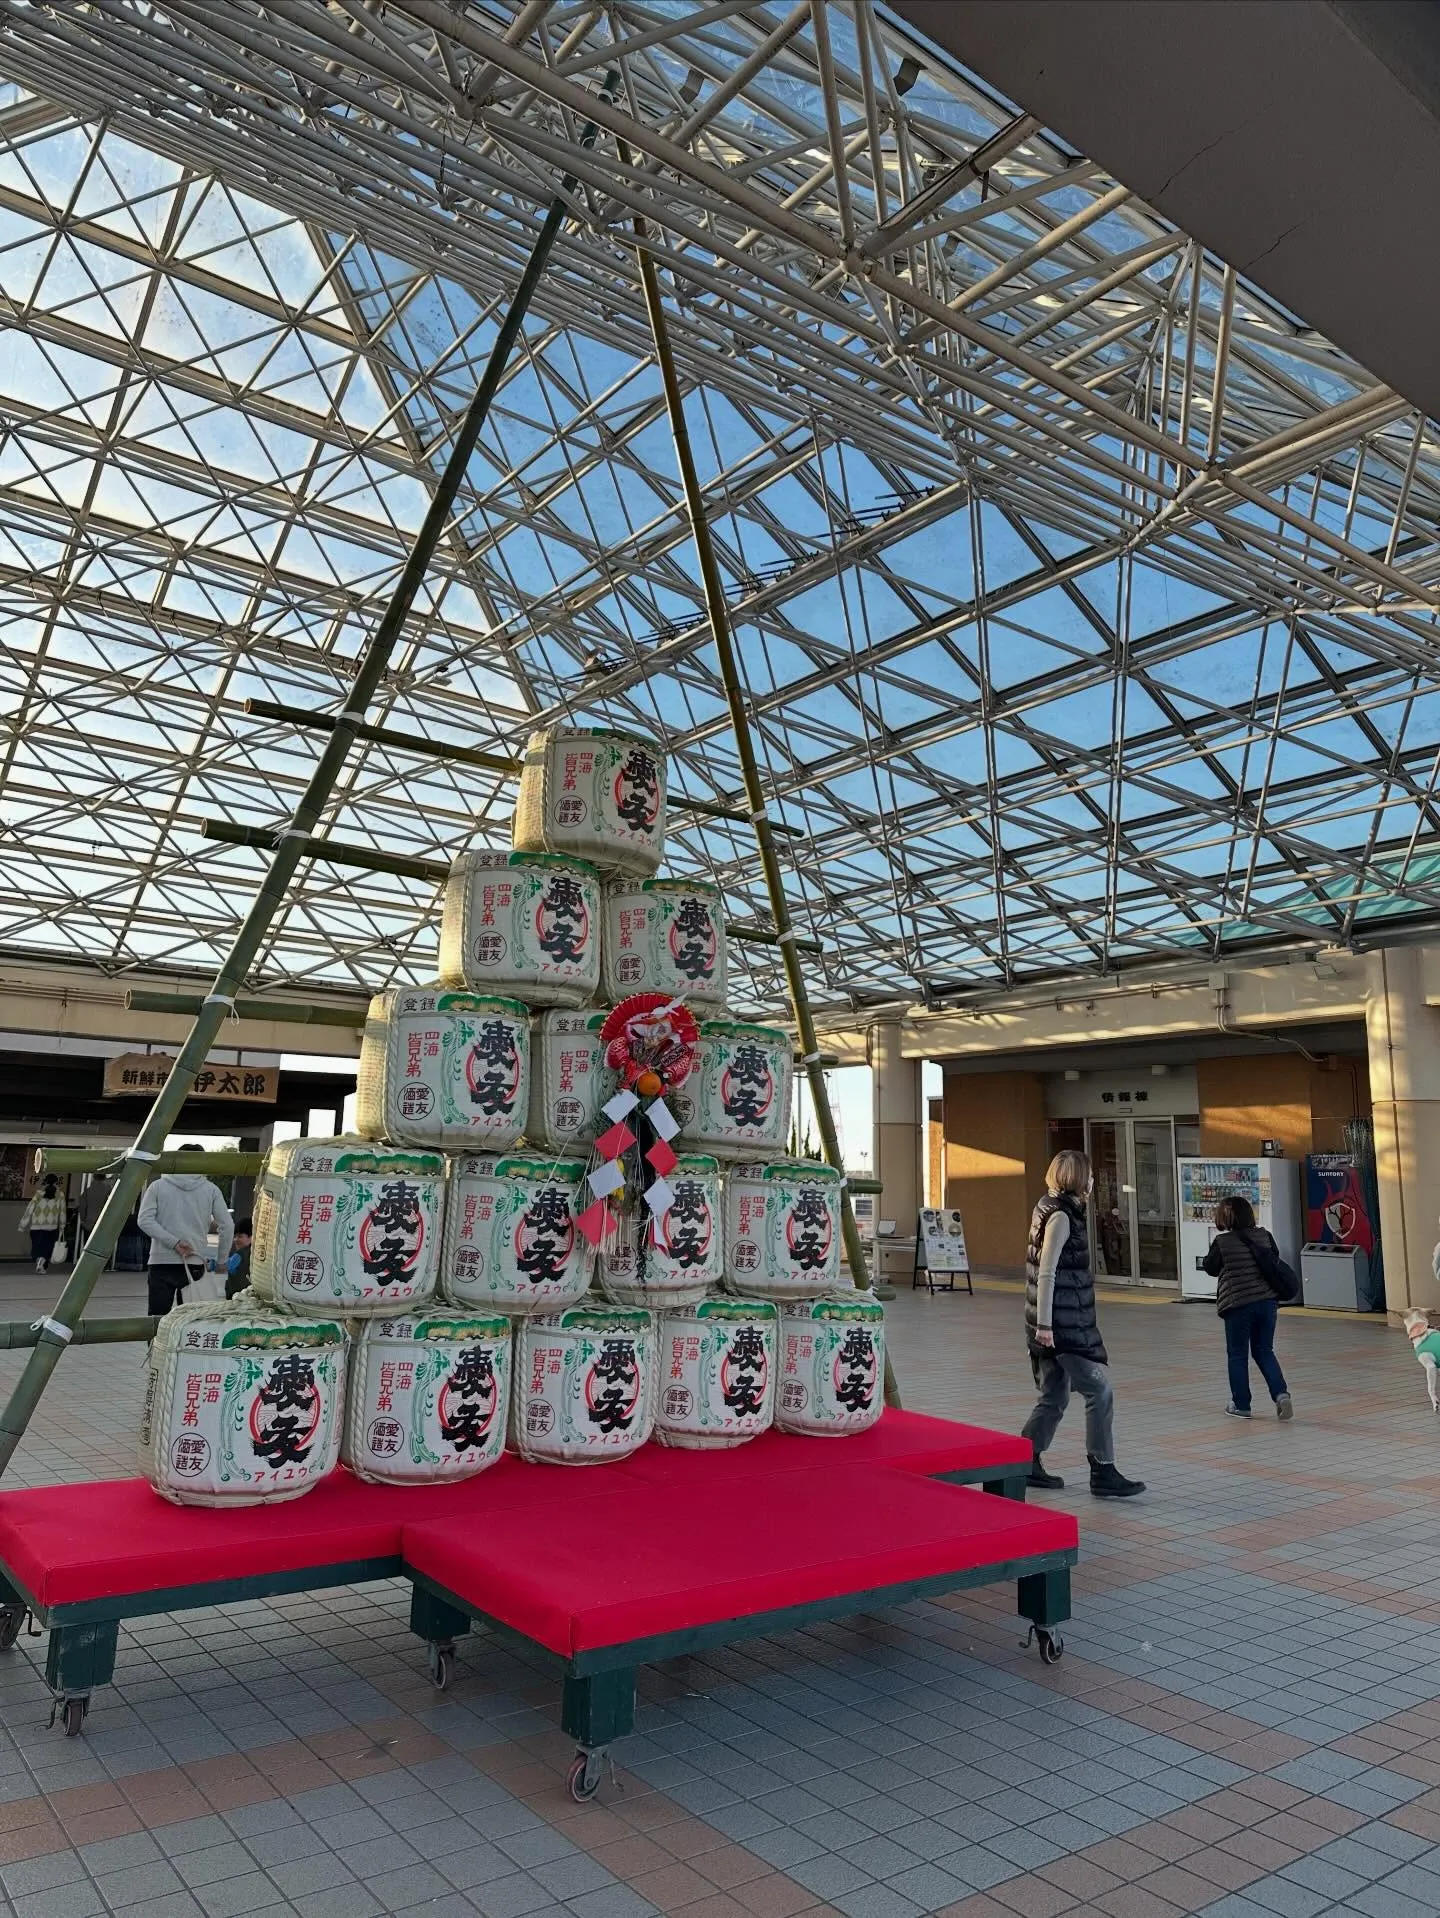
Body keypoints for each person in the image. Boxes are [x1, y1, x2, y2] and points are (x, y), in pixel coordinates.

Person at [1022, 1149, 1145, 1498]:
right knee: (1099, 1390)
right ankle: (1102, 1470)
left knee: (1054, 1396)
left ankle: (1024, 1461)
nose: (1092, 1181)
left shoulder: (1051, 1207)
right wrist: (1045, 1326)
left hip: (1054, 1321)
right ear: (1077, 1179)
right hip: (1060, 1325)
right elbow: (1047, 1272)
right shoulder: (1060, 1216)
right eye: (1089, 1175)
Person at [1202, 1196, 1294, 1421]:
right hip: (1267, 1302)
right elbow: (1274, 1258)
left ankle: (1241, 1404)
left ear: (1226, 1217)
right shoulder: (1264, 1236)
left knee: (1237, 1355)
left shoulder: (1222, 1243)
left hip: (1238, 1304)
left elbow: (1210, 1267)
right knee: (1264, 1350)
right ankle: (1281, 1395)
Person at [136, 1148, 233, 1318]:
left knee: (157, 1319)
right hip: (195, 1260)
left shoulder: (158, 1187)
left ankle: (155, 1345)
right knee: (191, 1320)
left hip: (161, 1261)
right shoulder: (211, 1190)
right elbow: (227, 1225)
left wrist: (173, 1242)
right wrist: (222, 1260)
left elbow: (144, 1220)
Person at [20, 1176, 65, 1273]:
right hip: (51, 1227)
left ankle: (39, 1260)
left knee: (37, 1246)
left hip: (36, 1226)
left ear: (45, 1182)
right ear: (57, 1182)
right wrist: (62, 1226)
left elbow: (30, 1209)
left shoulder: (39, 1194)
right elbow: (62, 1212)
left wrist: (23, 1225)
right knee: (47, 1248)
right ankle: (43, 1262)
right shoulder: (60, 1195)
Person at [225, 1218, 253, 1298]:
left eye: (240, 1236)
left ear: (251, 1237)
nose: (236, 1240)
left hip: (238, 1297)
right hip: (249, 1296)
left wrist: (210, 1263)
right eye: (235, 1236)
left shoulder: (241, 1254)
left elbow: (226, 1265)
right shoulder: (255, 1254)